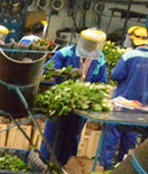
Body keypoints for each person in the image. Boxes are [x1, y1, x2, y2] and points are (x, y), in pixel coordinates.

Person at [39, 28, 107, 166]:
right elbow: (47, 70)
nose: (91, 47)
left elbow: (102, 82)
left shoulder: (99, 59)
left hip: (81, 106)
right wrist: (66, 73)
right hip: (60, 101)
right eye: (89, 43)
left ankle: (64, 165)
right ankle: (44, 163)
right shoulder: (66, 53)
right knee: (53, 133)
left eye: (94, 44)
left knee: (72, 136)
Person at [101, 25, 148, 169]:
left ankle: (107, 166)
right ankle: (125, 164)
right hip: (141, 105)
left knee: (113, 133)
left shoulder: (129, 56)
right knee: (131, 135)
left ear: (133, 40)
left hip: (122, 102)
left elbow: (116, 75)